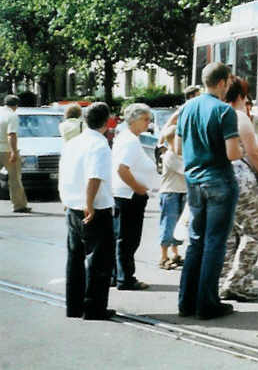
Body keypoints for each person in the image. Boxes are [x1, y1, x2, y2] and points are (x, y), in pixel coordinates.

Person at [175, 62, 242, 320]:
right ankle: (207, 303)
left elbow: (178, 148)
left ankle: (186, 301)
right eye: (229, 82)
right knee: (215, 242)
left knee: (196, 241)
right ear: (222, 82)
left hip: (193, 180)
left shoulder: (187, 108)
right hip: (219, 181)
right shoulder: (225, 111)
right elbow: (232, 153)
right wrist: (244, 148)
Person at [59, 102, 115, 320]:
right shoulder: (99, 145)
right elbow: (94, 176)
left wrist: (66, 199)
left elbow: (64, 172)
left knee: (75, 258)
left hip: (72, 206)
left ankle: (74, 306)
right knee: (99, 259)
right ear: (107, 122)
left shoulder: (73, 143)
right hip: (94, 208)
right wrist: (89, 203)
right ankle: (94, 308)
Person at [219, 77, 258, 302]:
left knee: (229, 233)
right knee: (254, 231)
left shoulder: (217, 114)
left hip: (220, 175)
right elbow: (253, 153)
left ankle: (223, 279)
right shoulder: (240, 117)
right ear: (242, 95)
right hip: (242, 178)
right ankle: (237, 282)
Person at [112, 103, 158, 290]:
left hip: (125, 194)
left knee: (123, 237)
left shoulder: (127, 137)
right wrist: (138, 188)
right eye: (146, 119)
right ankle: (125, 278)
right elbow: (122, 168)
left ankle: (117, 275)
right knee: (128, 239)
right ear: (135, 120)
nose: (149, 123)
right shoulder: (129, 140)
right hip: (129, 195)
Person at [158, 126, 186, 270]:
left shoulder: (181, 154)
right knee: (168, 224)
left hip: (182, 192)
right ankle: (163, 256)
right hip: (170, 193)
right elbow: (185, 170)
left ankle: (175, 253)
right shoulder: (169, 155)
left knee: (179, 225)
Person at [1, 94, 29, 213]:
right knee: (15, 179)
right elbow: (11, 135)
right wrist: (14, 152)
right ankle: (19, 205)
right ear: (16, 105)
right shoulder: (12, 116)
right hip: (6, 150)